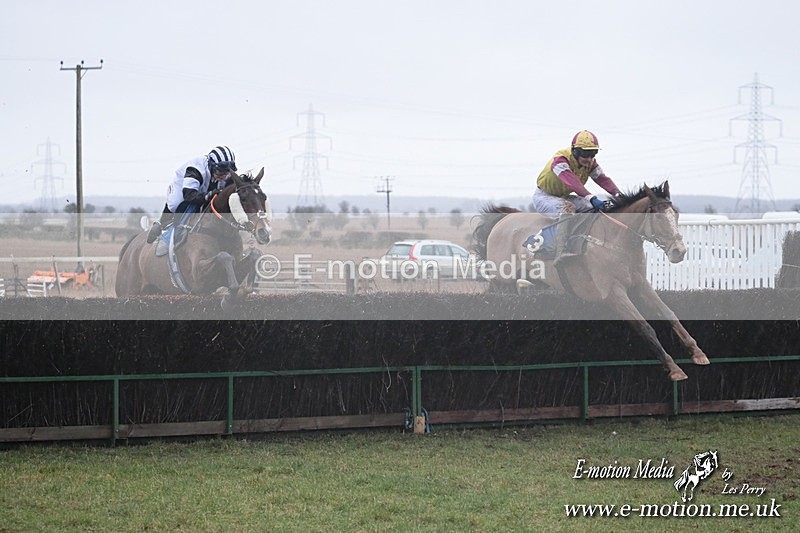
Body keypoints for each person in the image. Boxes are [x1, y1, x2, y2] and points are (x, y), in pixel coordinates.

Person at [146, 146, 237, 243]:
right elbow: (189, 196)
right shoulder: (196, 169)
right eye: (220, 171)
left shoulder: (226, 173)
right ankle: (161, 224)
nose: (223, 175)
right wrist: (209, 194)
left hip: (205, 183)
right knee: (175, 204)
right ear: (211, 165)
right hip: (184, 187)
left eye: (227, 172)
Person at [532, 130, 621, 216]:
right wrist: (591, 197)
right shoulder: (560, 160)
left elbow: (603, 180)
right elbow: (572, 182)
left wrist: (619, 195)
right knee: (567, 209)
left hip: (564, 196)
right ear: (575, 152)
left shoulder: (590, 163)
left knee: (590, 206)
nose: (589, 159)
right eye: (586, 154)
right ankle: (562, 232)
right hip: (543, 197)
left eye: (593, 154)